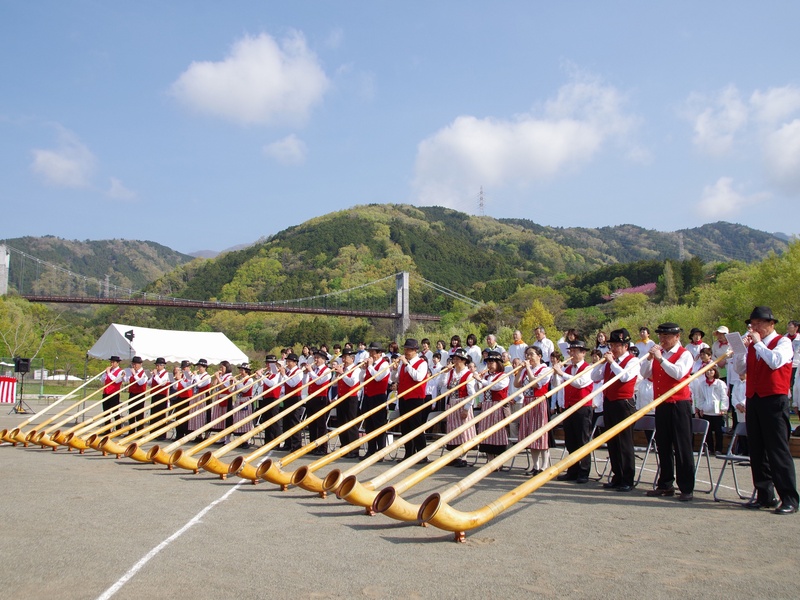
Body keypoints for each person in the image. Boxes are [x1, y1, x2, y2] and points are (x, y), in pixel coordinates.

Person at [733, 306, 799, 514]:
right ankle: (764, 495)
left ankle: (789, 497)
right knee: (758, 449)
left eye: (759, 323)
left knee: (778, 449)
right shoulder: (753, 346)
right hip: (754, 398)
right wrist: (740, 351)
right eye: (752, 324)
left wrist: (758, 343)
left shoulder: (783, 342)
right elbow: (740, 370)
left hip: (774, 399)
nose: (754, 327)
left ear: (771, 324)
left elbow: (775, 362)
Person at [640, 322, 695, 501]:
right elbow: (645, 373)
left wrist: (660, 359)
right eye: (661, 336)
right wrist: (649, 358)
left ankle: (686, 487)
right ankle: (666, 484)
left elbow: (678, 373)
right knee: (663, 445)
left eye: (667, 336)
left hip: (679, 404)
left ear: (677, 337)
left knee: (682, 446)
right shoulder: (658, 354)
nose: (663, 339)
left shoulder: (685, 354)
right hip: (661, 403)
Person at [591, 328, 639, 492]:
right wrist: (602, 364)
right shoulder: (611, 362)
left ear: (626, 346)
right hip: (610, 403)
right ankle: (617, 476)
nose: (613, 348)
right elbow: (594, 377)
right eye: (612, 345)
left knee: (624, 443)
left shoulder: (632, 361)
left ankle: (627, 479)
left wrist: (612, 363)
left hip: (624, 404)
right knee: (612, 442)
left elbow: (625, 377)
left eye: (617, 345)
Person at [552, 339, 594, 483]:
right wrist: (556, 372)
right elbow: (558, 385)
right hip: (569, 407)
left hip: (583, 408)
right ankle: (572, 470)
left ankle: (584, 471)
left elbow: (579, 383)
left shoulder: (588, 368)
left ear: (583, 353)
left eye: (575, 351)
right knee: (570, 441)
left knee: (582, 441)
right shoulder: (568, 369)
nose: (572, 353)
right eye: (571, 351)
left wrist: (562, 373)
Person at [392, 338, 429, 461]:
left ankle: (422, 455)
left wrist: (407, 364)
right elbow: (396, 379)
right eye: (405, 349)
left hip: (416, 398)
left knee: (416, 426)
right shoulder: (403, 364)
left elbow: (418, 377)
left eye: (408, 349)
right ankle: (409, 453)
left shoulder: (422, 363)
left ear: (414, 351)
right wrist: (396, 369)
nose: (406, 351)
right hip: (404, 397)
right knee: (405, 427)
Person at [515, 346, 550, 475]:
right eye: (527, 355)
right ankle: (535, 465)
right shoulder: (526, 370)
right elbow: (517, 384)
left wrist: (528, 368)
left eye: (531, 354)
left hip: (539, 402)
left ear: (539, 356)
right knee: (530, 434)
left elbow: (535, 383)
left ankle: (544, 465)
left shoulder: (545, 369)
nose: (529, 358)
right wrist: (520, 370)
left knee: (541, 434)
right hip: (527, 401)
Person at [474, 350, 510, 463]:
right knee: (486, 432)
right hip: (487, 405)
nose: (489, 365)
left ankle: (498, 462)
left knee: (498, 433)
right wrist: (477, 380)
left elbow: (496, 387)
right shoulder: (487, 376)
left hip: (498, 406)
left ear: (498, 363)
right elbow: (480, 389)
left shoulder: (504, 376)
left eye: (492, 362)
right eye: (488, 363)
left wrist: (482, 381)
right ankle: (489, 459)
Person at [443, 348, 477, 468]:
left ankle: (464, 457)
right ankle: (454, 456)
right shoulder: (451, 373)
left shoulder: (468, 374)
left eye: (457, 359)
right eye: (454, 359)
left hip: (463, 403)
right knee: (453, 430)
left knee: (463, 431)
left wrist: (467, 408)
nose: (455, 361)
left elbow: (472, 393)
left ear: (464, 361)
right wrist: (445, 372)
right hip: (452, 402)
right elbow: (443, 385)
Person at [361, 342, 392, 459]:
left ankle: (381, 452)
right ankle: (371, 449)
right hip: (368, 396)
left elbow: (378, 377)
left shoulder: (384, 364)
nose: (371, 355)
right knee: (369, 425)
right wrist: (364, 369)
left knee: (379, 425)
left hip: (378, 397)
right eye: (370, 352)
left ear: (379, 353)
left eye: (373, 352)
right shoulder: (371, 366)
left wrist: (369, 366)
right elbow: (362, 379)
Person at [693, 365, 729, 454]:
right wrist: (701, 408)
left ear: (715, 372)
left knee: (718, 431)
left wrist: (723, 408)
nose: (709, 372)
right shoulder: (702, 384)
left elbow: (724, 397)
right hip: (706, 411)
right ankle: (709, 448)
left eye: (711, 370)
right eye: (707, 371)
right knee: (708, 432)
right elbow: (700, 397)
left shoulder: (720, 383)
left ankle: (719, 449)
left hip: (717, 411)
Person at [333, 348, 363, 457]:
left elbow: (352, 383)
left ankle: (353, 450)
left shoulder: (356, 369)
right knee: (341, 423)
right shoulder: (343, 369)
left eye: (346, 357)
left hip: (351, 398)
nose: (344, 360)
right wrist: (336, 375)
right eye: (343, 357)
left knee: (351, 424)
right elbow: (334, 385)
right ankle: (344, 446)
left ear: (352, 359)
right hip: (341, 397)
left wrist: (342, 373)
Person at [304, 349, 333, 455]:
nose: (315, 360)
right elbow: (305, 382)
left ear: (324, 360)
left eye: (318, 358)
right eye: (315, 357)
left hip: (321, 398)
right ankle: (312, 446)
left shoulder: (327, 370)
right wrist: (306, 373)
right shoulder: (314, 370)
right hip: (311, 398)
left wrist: (310, 371)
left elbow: (319, 380)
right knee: (312, 424)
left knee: (321, 424)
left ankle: (322, 448)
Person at [254, 355, 284, 446]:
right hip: (266, 397)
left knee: (274, 420)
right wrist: (259, 377)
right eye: (267, 363)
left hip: (274, 398)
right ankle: (267, 441)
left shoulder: (277, 373)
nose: (267, 365)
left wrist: (261, 376)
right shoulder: (268, 373)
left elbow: (272, 384)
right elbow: (261, 384)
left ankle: (276, 442)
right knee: (266, 419)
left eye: (269, 363)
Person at [279, 353, 304, 451]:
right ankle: (287, 443)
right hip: (287, 397)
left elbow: (292, 384)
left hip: (295, 398)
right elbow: (284, 384)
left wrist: (284, 375)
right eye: (287, 361)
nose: (287, 363)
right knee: (286, 421)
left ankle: (296, 444)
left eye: (289, 362)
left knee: (294, 421)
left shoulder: (299, 372)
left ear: (295, 363)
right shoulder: (288, 372)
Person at [209, 361, 234, 442]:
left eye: (222, 368)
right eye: (220, 368)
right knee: (220, 418)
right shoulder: (222, 376)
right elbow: (213, 385)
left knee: (227, 418)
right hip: (219, 397)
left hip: (226, 397)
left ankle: (227, 438)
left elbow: (223, 387)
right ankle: (222, 437)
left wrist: (219, 378)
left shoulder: (229, 376)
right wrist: (216, 377)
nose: (221, 369)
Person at [186, 358, 212, 439]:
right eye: (198, 367)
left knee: (203, 415)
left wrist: (195, 376)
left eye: (200, 367)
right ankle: (198, 435)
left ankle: (206, 434)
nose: (198, 368)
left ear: (205, 367)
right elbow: (189, 386)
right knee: (196, 415)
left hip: (203, 396)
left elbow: (200, 384)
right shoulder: (197, 376)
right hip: (196, 396)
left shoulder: (207, 376)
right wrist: (190, 378)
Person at [124, 356, 148, 431]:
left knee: (139, 413)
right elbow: (127, 380)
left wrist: (135, 375)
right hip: (132, 393)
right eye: (133, 364)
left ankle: (139, 431)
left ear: (140, 364)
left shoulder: (144, 372)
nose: (134, 366)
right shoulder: (132, 372)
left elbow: (141, 382)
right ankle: (131, 431)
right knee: (131, 413)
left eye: (136, 364)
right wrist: (125, 375)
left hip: (140, 394)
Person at [148, 358, 171, 438]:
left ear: (162, 366)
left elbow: (161, 383)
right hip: (154, 395)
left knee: (160, 415)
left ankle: (161, 434)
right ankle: (153, 433)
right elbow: (149, 383)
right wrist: (152, 375)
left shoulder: (166, 374)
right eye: (156, 365)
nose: (157, 367)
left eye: (158, 365)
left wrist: (156, 375)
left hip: (162, 395)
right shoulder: (156, 374)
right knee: (153, 414)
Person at [101, 356, 124, 430]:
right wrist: (105, 373)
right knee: (106, 412)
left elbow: (116, 380)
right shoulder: (109, 371)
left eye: (113, 362)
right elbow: (102, 380)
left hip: (114, 393)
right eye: (111, 362)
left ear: (117, 363)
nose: (111, 363)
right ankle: (107, 429)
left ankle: (118, 428)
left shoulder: (120, 371)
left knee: (115, 412)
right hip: (106, 392)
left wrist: (108, 373)